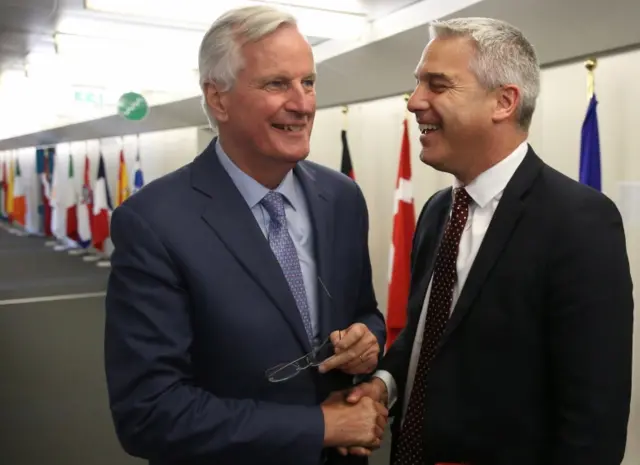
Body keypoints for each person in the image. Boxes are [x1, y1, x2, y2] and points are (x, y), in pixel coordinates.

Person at [103, 6, 388, 465]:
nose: (303, 103)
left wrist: (366, 340)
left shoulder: (343, 198)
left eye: (308, 82)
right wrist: (320, 427)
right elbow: (150, 413)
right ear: (218, 99)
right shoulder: (154, 222)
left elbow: (365, 312)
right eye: (277, 84)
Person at [343, 16, 634, 465]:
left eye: (437, 86)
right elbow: (425, 337)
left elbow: (593, 418)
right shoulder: (438, 210)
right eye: (418, 84)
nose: (415, 102)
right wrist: (383, 383)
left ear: (503, 101)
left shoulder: (579, 222)